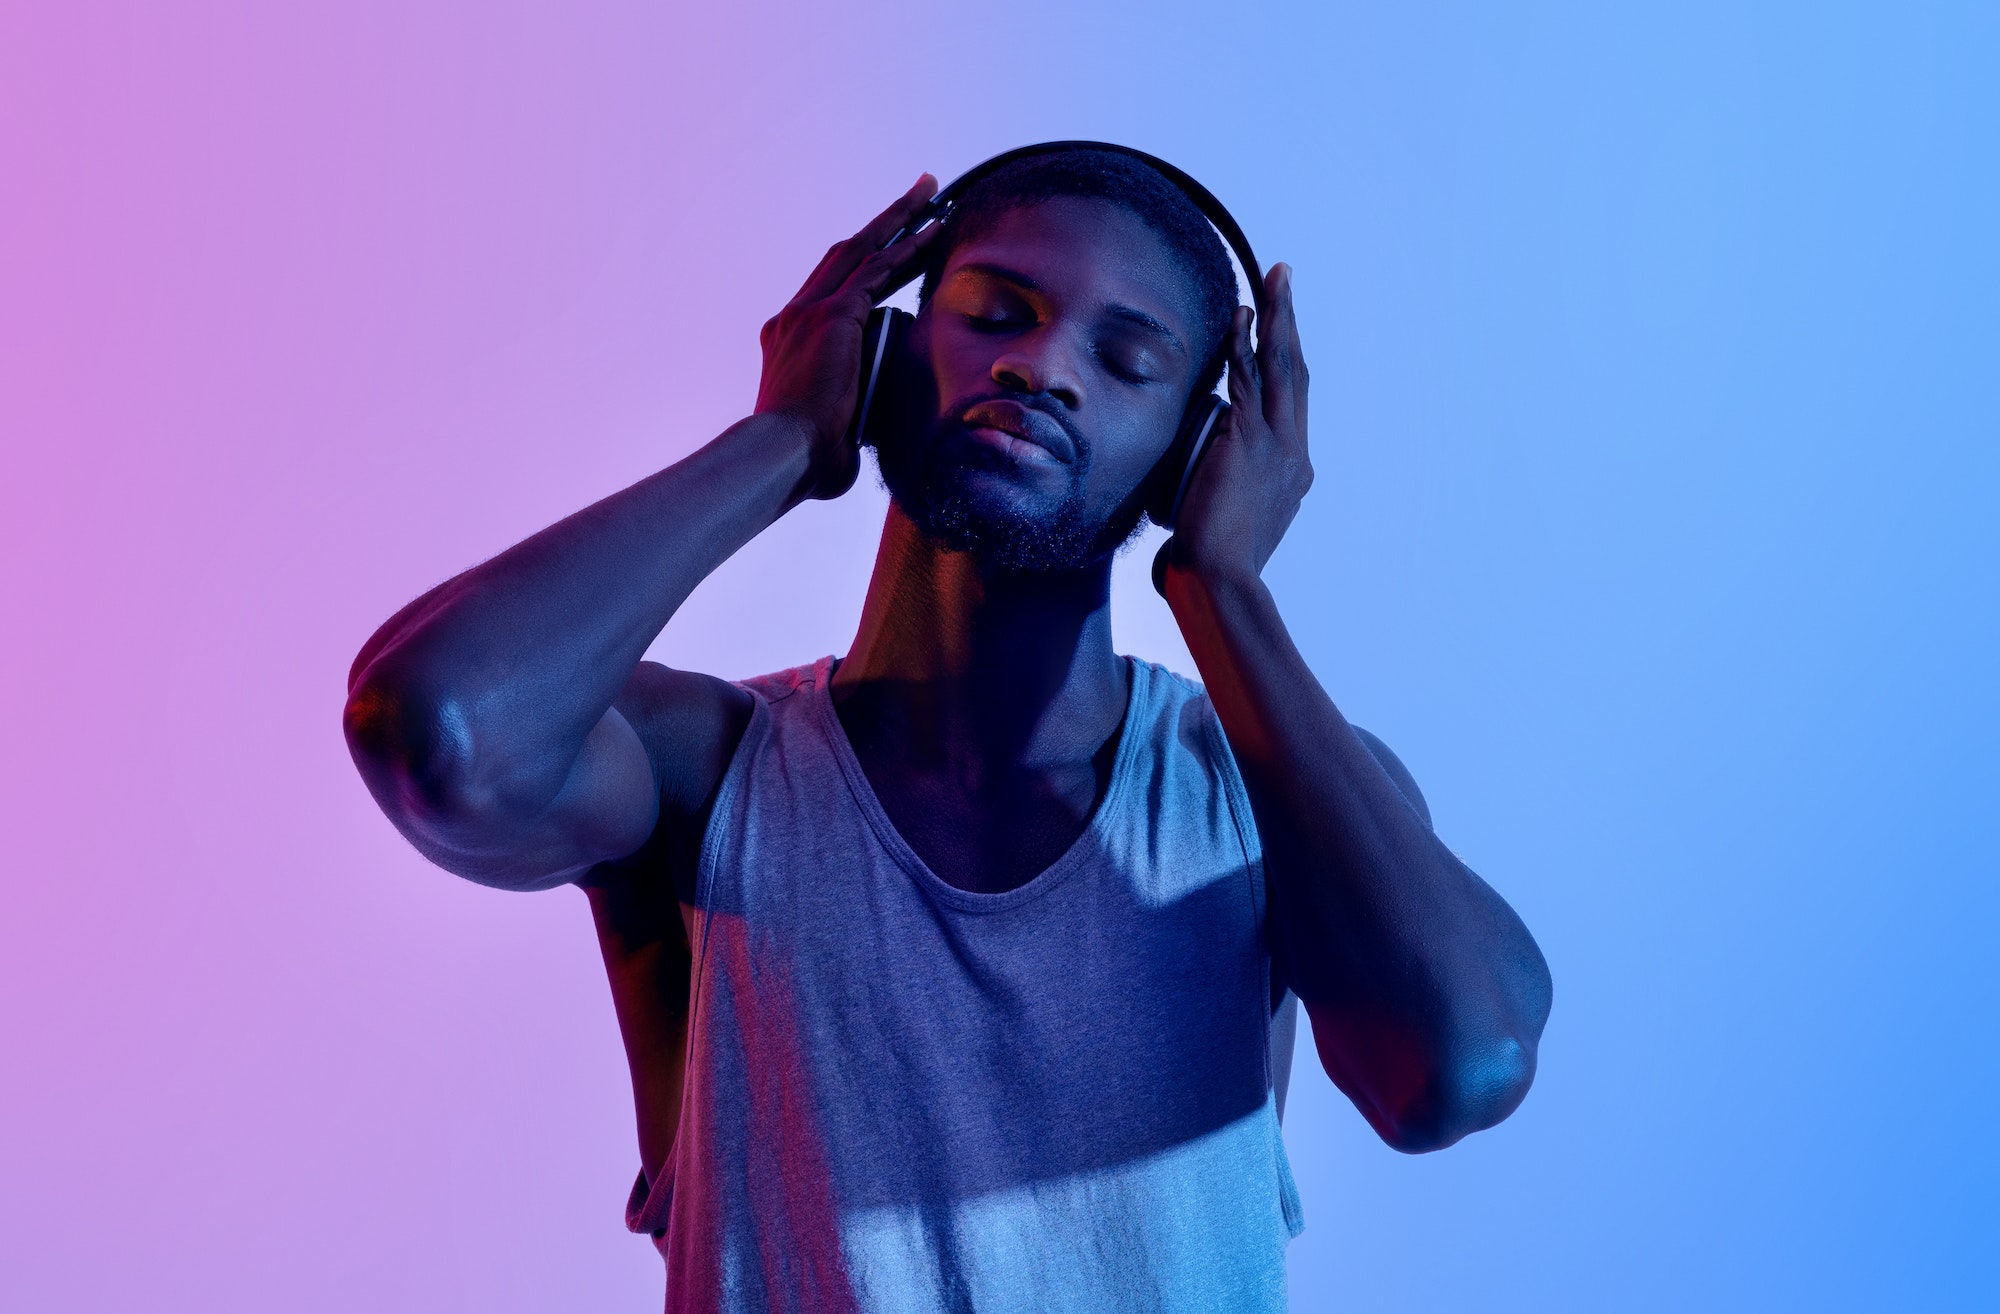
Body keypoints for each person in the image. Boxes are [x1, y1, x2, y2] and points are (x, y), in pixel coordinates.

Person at [343, 147, 1552, 1313]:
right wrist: (784, 444)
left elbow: (1458, 1065)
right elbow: (439, 726)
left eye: (1125, 361)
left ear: (1195, 450)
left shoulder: (1258, 792)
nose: (1044, 367)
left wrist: (1222, 588)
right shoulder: (699, 771)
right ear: (884, 355)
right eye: (993, 311)